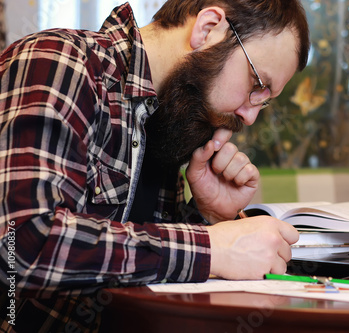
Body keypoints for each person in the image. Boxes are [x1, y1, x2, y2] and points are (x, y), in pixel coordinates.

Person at [0, 0, 310, 331]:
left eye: (263, 101)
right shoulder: (59, 61)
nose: (249, 117)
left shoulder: (167, 116)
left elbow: (147, 265)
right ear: (209, 29)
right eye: (256, 85)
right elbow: (21, 247)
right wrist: (213, 248)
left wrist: (207, 218)